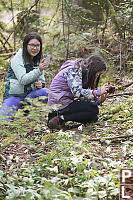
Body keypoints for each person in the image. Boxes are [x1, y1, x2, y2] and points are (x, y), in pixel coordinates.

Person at [47, 55, 110, 130]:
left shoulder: (83, 72)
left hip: (66, 101)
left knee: (94, 117)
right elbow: (77, 92)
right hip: (59, 102)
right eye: (98, 73)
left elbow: (82, 96)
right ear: (94, 68)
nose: (97, 76)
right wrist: (98, 92)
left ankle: (60, 117)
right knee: (93, 110)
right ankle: (58, 118)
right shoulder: (74, 70)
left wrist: (99, 100)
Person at [0, 32, 49, 122]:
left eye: (37, 45)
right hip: (14, 96)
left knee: (48, 93)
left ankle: (54, 118)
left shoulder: (38, 59)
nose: (35, 48)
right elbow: (23, 80)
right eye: (32, 45)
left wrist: (41, 84)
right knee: (3, 121)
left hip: (30, 95)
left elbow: (42, 81)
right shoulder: (17, 59)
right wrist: (38, 70)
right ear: (25, 45)